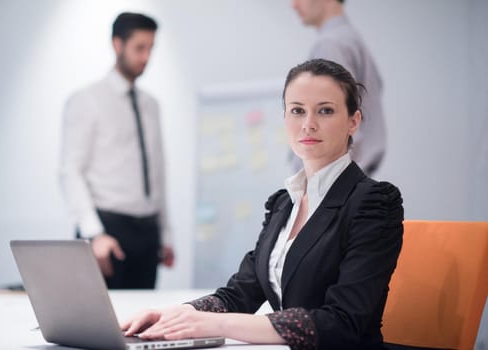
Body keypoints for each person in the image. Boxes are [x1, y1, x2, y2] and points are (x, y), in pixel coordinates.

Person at [120, 59, 404, 349]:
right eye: (297, 110)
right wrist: (179, 313)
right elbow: (239, 295)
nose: (308, 124)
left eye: (325, 110)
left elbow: (343, 322)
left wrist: (216, 324)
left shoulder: (373, 203)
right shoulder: (284, 204)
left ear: (353, 121)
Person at [59, 12, 174, 289]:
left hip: (147, 232)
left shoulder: (151, 106)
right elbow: (70, 171)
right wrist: (94, 234)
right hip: (107, 229)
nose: (146, 57)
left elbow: (157, 173)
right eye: (139, 48)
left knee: (143, 325)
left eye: (151, 48)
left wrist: (166, 233)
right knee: (97, 324)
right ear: (117, 44)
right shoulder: (87, 100)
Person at [291, 0, 386, 176]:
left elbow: (333, 130)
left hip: (334, 185)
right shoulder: (349, 38)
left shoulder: (331, 45)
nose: (293, 5)